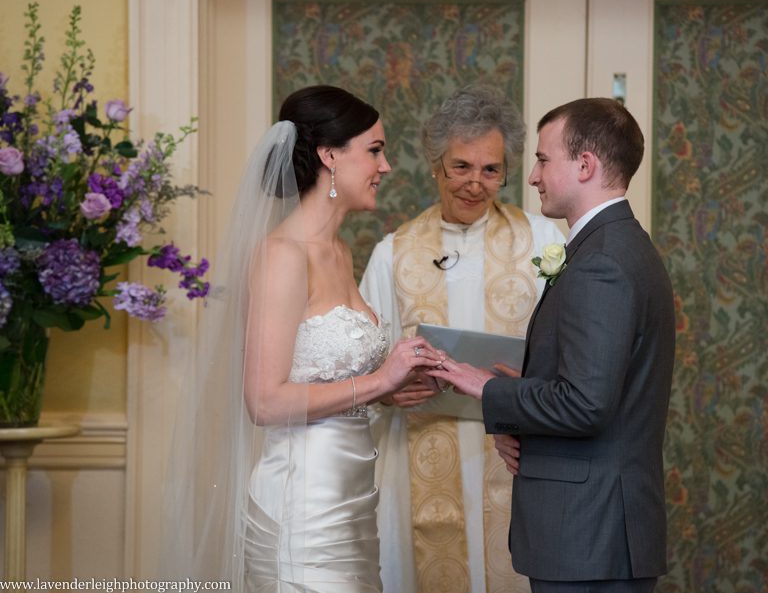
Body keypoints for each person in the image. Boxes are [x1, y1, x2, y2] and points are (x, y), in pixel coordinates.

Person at [161, 85, 442, 592]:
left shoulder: (337, 251)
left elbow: (327, 379)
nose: (387, 167)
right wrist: (380, 380)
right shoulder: (283, 254)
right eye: (375, 150)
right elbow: (265, 401)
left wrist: (391, 391)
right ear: (330, 155)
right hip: (302, 512)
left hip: (351, 502)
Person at [429, 98, 676, 593]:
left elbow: (586, 405)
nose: (535, 176)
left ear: (585, 165)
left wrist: (487, 390)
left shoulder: (601, 261)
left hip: (589, 534)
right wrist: (524, 397)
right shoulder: (613, 246)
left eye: (544, 159)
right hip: (596, 534)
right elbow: (601, 387)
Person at [359, 84, 565, 593]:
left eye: (491, 169)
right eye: (461, 167)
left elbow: (572, 351)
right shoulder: (393, 253)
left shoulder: (544, 241)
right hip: (422, 452)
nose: (476, 183)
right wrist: (387, 391)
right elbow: (361, 368)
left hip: (516, 452)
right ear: (436, 164)